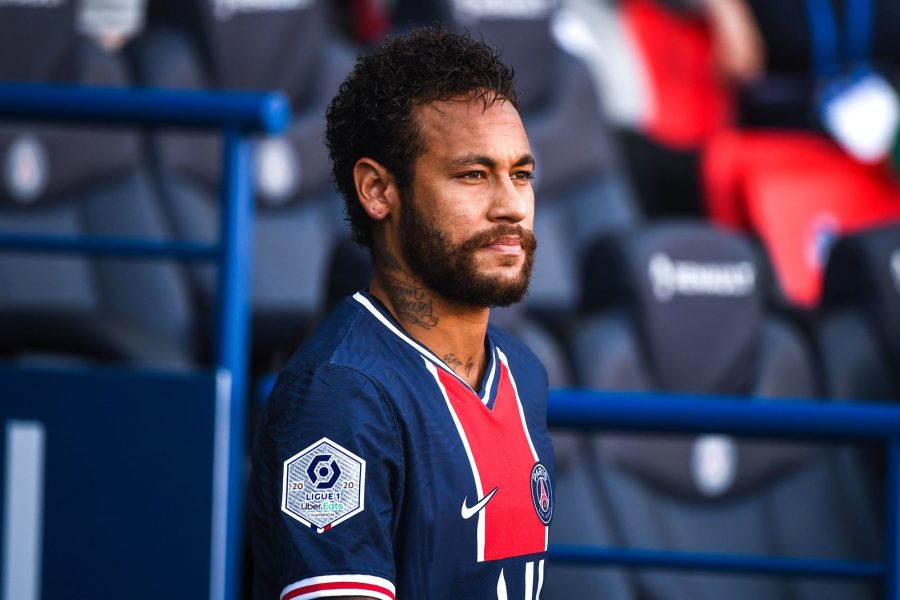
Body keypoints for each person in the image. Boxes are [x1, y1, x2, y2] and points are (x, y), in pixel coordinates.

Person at [249, 28, 555, 600]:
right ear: (377, 190)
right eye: (473, 175)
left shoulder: (523, 374)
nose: (511, 205)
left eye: (520, 174)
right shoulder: (339, 394)